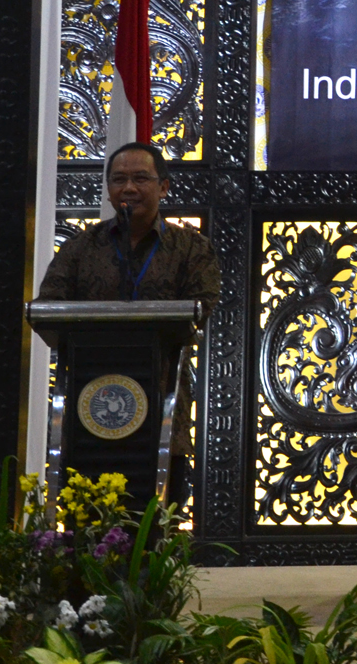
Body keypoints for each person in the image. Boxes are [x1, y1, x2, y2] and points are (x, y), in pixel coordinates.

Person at [37, 142, 220, 503]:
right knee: (85, 519)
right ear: (107, 190)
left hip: (162, 407)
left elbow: (202, 306)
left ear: (163, 187)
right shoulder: (79, 248)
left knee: (157, 517)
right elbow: (49, 306)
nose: (129, 188)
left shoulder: (191, 248)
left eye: (140, 178)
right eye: (119, 180)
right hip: (90, 410)